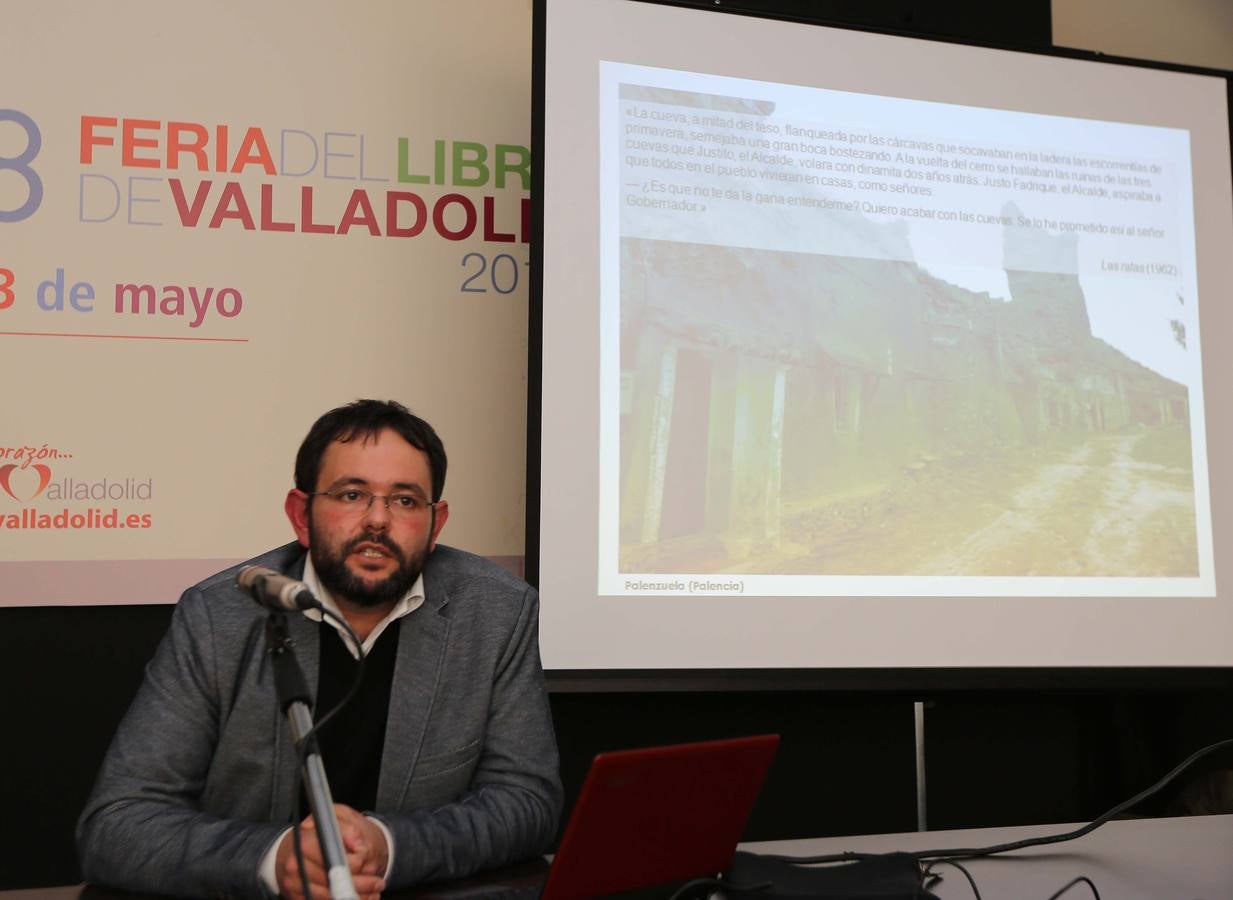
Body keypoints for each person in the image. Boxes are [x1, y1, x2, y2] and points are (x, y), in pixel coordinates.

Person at [77, 400, 562, 899]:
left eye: (404, 500)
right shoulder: (219, 616)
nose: (377, 520)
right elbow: (117, 824)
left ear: (435, 525)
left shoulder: (496, 614)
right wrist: (275, 859)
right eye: (352, 494)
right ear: (301, 515)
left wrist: (390, 846)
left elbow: (528, 803)